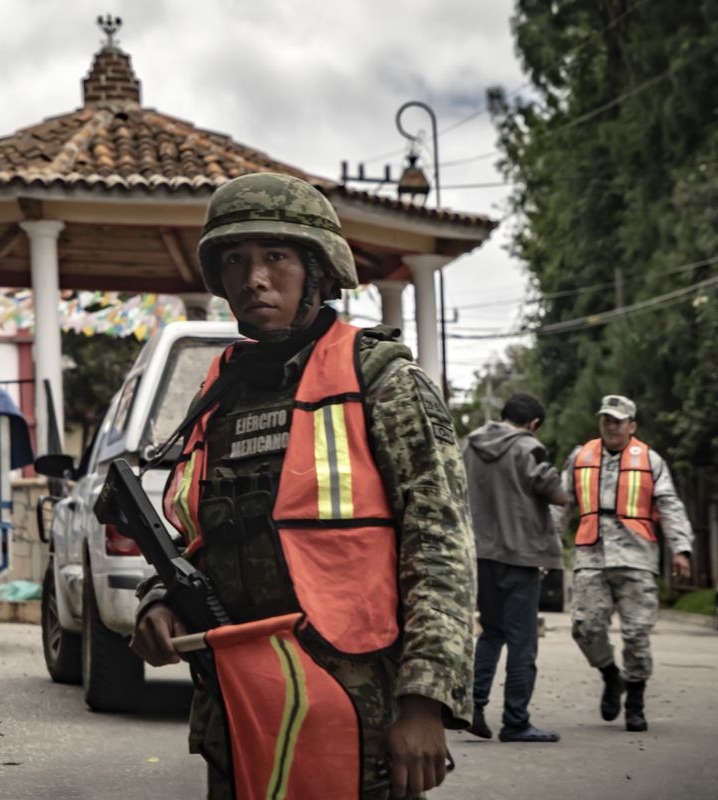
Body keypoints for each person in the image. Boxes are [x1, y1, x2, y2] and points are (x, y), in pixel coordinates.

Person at [129, 172, 476, 799]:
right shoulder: (218, 393)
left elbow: (440, 545)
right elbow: (195, 531)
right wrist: (158, 599)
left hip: (357, 705)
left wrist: (425, 701)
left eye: (276, 257)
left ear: (319, 269)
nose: (253, 278)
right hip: (240, 707)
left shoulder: (382, 379)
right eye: (235, 260)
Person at [560, 395, 693, 732]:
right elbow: (560, 504)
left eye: (618, 421)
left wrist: (681, 548)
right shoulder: (580, 456)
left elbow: (670, 505)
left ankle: (635, 702)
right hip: (591, 551)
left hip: (636, 555)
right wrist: (547, 544)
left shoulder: (650, 459)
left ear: (631, 426)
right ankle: (610, 675)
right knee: (585, 626)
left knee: (637, 633)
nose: (611, 426)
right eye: (606, 419)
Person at [461, 393, 567, 743]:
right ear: (533, 424)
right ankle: (516, 721)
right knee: (522, 642)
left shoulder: (469, 445)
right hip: (520, 557)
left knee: (491, 632)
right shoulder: (529, 447)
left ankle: (473, 708)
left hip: (481, 554)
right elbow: (555, 492)